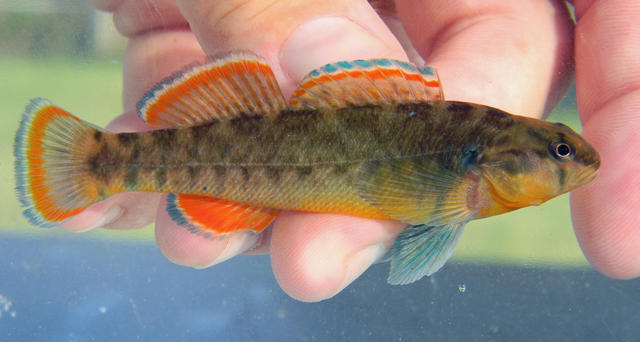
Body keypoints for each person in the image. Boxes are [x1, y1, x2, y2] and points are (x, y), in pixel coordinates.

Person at [83, 0, 639, 301]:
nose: (575, 165)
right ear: (501, 156)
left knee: (302, 260)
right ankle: (99, 163)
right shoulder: (464, 183)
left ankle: (102, 162)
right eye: (560, 152)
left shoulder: (467, 181)